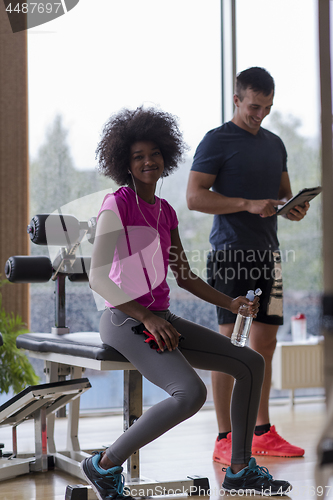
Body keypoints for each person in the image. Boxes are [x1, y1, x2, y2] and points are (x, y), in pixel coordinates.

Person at [80, 106, 292, 499]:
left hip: (159, 315)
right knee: (190, 393)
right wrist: (146, 316)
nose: (148, 161)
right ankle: (104, 465)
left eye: (154, 154)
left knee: (250, 362)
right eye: (138, 156)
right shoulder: (118, 204)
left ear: (166, 157)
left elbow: (186, 277)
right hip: (123, 317)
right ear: (125, 162)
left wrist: (231, 304)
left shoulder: (165, 212)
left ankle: (241, 468)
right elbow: (98, 279)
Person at [186, 66, 308, 466]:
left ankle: (261, 431)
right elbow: (194, 197)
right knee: (228, 346)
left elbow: (283, 194)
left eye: (268, 107)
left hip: (267, 253)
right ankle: (225, 436)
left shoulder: (274, 143)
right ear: (236, 99)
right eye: (255, 106)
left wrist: (293, 206)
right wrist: (246, 203)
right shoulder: (217, 141)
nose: (261, 114)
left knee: (266, 344)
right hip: (231, 254)